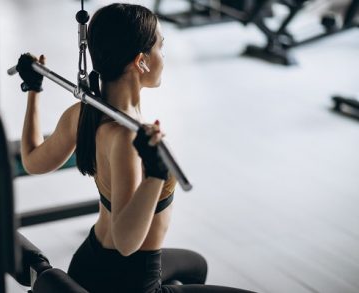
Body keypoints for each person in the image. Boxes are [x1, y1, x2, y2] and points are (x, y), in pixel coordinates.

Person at [17, 3, 257, 293]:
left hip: (88, 261)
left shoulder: (82, 114)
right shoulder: (128, 139)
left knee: (195, 265)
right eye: (161, 48)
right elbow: (126, 242)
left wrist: (33, 89)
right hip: (133, 282)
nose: (164, 58)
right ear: (141, 61)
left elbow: (31, 160)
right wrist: (156, 172)